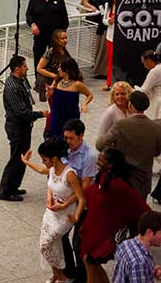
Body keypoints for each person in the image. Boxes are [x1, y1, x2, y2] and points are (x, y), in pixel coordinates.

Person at [79, 148, 150, 283]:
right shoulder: (103, 177)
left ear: (110, 165)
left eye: (101, 160)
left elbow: (141, 207)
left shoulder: (118, 185)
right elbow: (90, 194)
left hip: (112, 235)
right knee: (89, 261)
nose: (97, 162)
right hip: (98, 230)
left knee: (90, 261)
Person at [21, 138, 86, 283]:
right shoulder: (51, 169)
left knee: (45, 244)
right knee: (49, 245)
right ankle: (57, 273)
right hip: (51, 212)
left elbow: (81, 198)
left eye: (45, 159)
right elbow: (42, 172)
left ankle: (61, 277)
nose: (43, 162)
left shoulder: (70, 174)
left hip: (65, 215)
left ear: (54, 159)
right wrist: (26, 162)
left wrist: (76, 217)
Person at [0, 55, 48, 202]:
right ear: (17, 68)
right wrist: (40, 114)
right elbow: (21, 112)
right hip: (16, 127)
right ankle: (5, 191)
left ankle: (14, 187)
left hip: (24, 126)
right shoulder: (13, 87)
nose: (27, 68)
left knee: (22, 158)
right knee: (16, 159)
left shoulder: (21, 80)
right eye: (25, 66)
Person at [97, 91, 161, 200]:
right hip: (143, 182)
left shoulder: (122, 125)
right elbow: (157, 151)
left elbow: (100, 144)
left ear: (130, 105)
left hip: (122, 178)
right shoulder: (155, 127)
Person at [60, 119, 98, 282]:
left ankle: (81, 277)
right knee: (61, 234)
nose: (67, 141)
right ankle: (69, 268)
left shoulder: (89, 156)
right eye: (65, 138)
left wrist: (67, 202)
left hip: (84, 206)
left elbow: (85, 187)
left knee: (78, 243)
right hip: (68, 202)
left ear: (81, 136)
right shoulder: (65, 150)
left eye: (71, 138)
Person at [26, 0, 69, 78]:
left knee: (56, 58)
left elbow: (64, 18)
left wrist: (62, 33)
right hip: (40, 36)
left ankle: (57, 78)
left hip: (55, 37)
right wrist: (33, 24)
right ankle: (39, 80)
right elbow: (29, 15)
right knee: (38, 57)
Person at [48, 57, 93, 138]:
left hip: (70, 118)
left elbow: (90, 95)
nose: (58, 69)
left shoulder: (77, 84)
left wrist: (84, 104)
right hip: (56, 117)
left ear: (67, 70)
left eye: (60, 67)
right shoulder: (57, 81)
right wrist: (49, 93)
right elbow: (49, 96)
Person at [112, 211, 161, 283]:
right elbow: (137, 266)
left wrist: (151, 273)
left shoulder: (126, 243)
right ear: (149, 232)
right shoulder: (140, 262)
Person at [81, 0, 109, 80]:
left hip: (105, 19)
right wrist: (92, 8)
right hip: (93, 19)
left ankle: (102, 67)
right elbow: (84, 2)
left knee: (104, 45)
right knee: (94, 43)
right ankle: (96, 64)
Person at [36, 29, 71, 102]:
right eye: (62, 38)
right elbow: (39, 68)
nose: (65, 40)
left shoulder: (65, 52)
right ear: (56, 40)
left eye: (66, 38)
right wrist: (54, 75)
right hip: (51, 82)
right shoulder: (50, 52)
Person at [138, 50, 161, 120]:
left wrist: (133, 89)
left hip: (157, 103)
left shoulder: (155, 71)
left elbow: (144, 90)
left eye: (144, 63)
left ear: (148, 60)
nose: (144, 66)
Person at [101, 0, 116, 91]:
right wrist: (108, 21)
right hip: (110, 36)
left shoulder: (123, 5)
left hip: (120, 37)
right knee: (110, 60)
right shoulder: (108, 5)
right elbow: (104, 20)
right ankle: (109, 83)